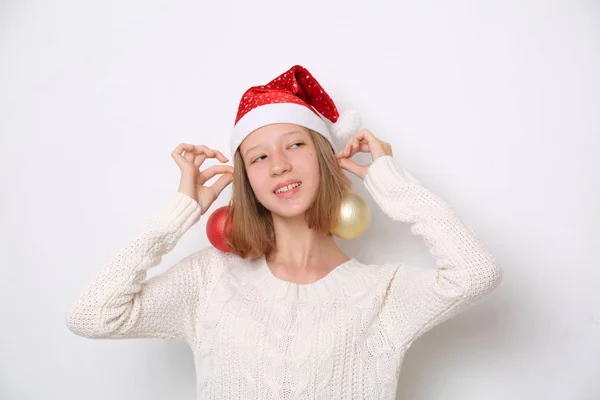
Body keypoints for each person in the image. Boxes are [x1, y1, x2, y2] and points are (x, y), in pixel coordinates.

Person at [66, 65, 502, 399]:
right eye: (258, 157)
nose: (279, 165)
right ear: (248, 182)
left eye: (295, 144)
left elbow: (475, 274)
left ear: (326, 159)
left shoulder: (382, 293)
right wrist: (181, 212)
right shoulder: (209, 279)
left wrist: (392, 182)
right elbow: (92, 316)